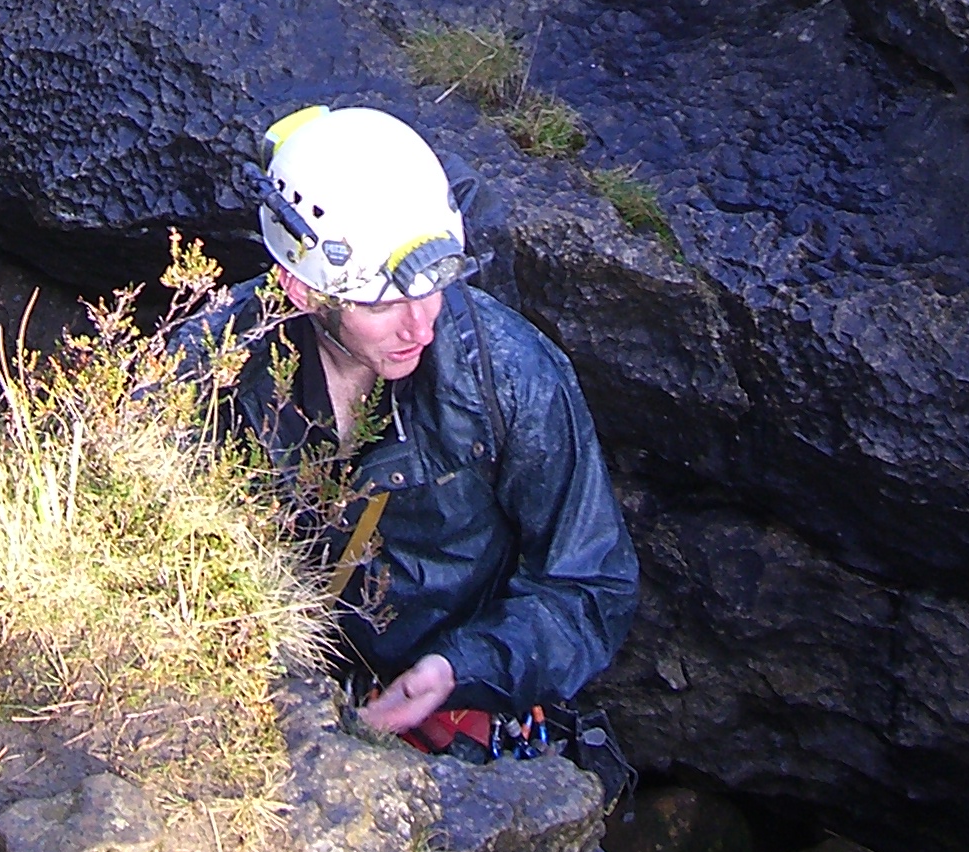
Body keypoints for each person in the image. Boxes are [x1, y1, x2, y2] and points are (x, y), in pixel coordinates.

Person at [176, 102, 637, 744]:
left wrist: (459, 669)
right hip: (268, 686)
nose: (421, 324)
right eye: (386, 303)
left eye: (434, 286)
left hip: (455, 693)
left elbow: (591, 582)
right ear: (303, 291)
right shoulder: (212, 371)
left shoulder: (506, 375)